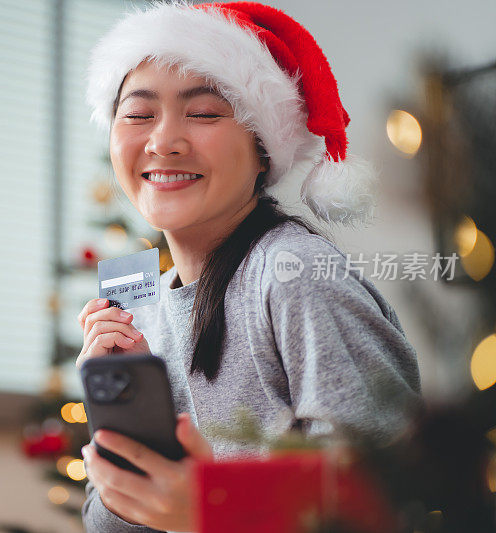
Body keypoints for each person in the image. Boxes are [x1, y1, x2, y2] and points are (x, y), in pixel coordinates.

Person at [74, 2, 423, 532]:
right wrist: (129, 427)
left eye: (205, 112)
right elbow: (108, 521)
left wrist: (215, 505)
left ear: (262, 149)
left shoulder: (292, 273)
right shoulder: (142, 317)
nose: (163, 140)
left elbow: (385, 489)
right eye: (139, 114)